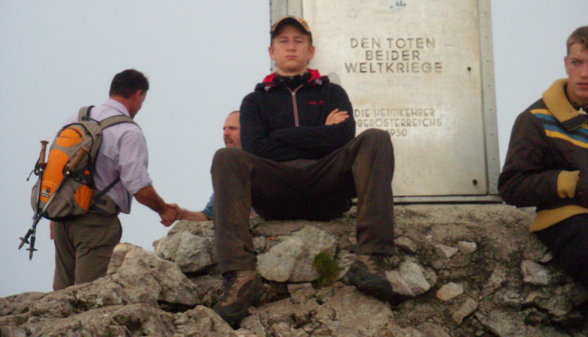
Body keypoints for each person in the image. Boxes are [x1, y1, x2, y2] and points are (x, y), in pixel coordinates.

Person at [211, 16, 402, 327]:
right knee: (226, 158)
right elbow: (258, 149)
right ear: (271, 52)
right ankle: (241, 275)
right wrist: (318, 134)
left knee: (376, 139)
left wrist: (281, 136)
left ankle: (370, 259)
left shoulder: (333, 93)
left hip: (326, 185)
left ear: (310, 50)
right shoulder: (254, 101)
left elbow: (343, 137)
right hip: (276, 187)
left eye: (298, 41)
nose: (291, 47)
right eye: (283, 41)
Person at [52, 69, 179, 290]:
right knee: (87, 295)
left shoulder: (77, 118)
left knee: (60, 295)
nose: (141, 106)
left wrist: (55, 211)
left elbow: (57, 167)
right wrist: (162, 209)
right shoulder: (127, 131)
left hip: (62, 216)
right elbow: (138, 186)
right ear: (138, 94)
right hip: (95, 222)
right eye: (142, 100)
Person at [499, 26, 588, 289]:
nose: (584, 73)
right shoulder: (535, 119)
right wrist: (572, 182)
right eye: (577, 63)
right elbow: (511, 187)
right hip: (567, 221)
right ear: (565, 64)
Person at [178, 110, 242, 221]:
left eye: (232, 128)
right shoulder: (229, 171)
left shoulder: (265, 163)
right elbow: (209, 215)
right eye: (224, 129)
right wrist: (181, 214)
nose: (225, 133)